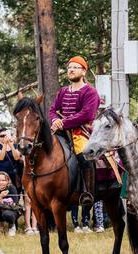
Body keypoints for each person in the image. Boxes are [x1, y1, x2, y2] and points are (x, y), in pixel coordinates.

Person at [49, 55, 100, 206]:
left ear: (84, 72)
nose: (71, 70)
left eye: (75, 67)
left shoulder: (90, 92)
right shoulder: (63, 91)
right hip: (60, 132)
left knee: (84, 155)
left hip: (80, 132)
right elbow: (53, 110)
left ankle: (87, 192)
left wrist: (62, 122)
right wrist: (54, 120)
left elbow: (86, 114)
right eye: (69, 67)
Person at [0, 171, 21, 236]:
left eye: (3, 180)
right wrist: (0, 196)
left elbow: (14, 204)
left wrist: (1, 205)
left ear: (7, 181)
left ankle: (12, 226)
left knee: (7, 213)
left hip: (11, 211)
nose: (1, 182)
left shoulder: (12, 188)